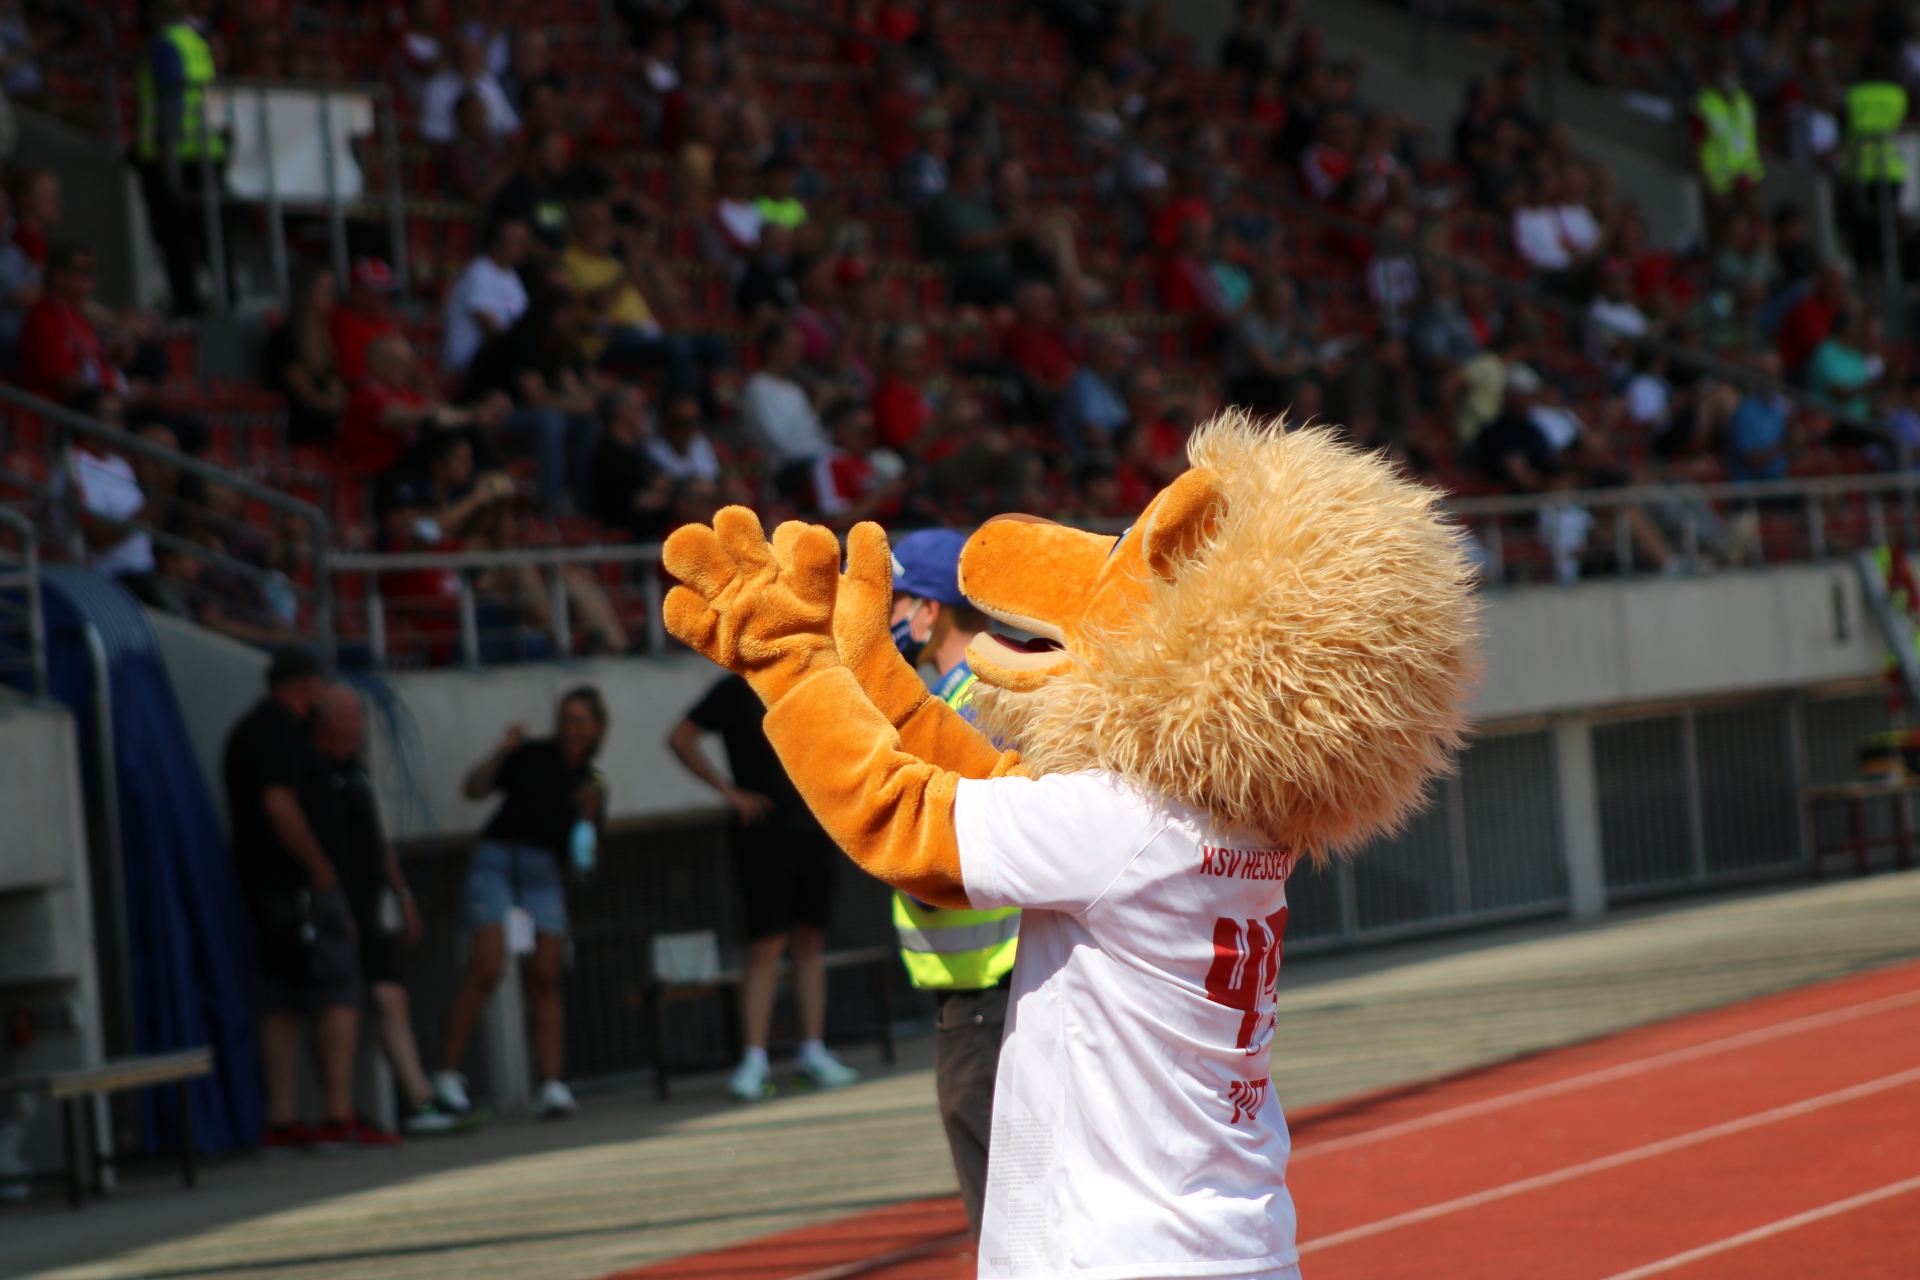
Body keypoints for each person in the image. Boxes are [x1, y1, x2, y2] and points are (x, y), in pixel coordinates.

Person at [887, 529, 1018, 1237]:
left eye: (896, 601)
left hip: (985, 993)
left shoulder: (950, 709)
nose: (887, 618)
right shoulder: (1003, 682)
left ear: (930, 610)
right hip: (1011, 980)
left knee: (1003, 1211)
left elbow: (932, 852)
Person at [225, 650, 398, 1151]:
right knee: (338, 990)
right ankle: (337, 1113)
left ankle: (281, 1118)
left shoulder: (248, 730)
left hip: (264, 888)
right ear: (307, 686)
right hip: (298, 889)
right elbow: (278, 804)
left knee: (281, 997)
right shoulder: (283, 730)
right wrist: (321, 872)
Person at [667, 675, 863, 1101]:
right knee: (766, 944)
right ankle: (754, 1060)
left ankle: (812, 1051)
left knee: (810, 939)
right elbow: (680, 737)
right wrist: (729, 793)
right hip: (763, 832)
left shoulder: (811, 674)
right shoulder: (735, 687)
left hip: (816, 826)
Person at [308, 685, 480, 1135]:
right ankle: (338, 1113)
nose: (361, 725)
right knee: (342, 1003)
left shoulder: (356, 771)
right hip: (333, 908)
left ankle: (421, 1100)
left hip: (367, 906)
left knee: (390, 996)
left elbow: (376, 840)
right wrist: (331, 903)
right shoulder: (312, 772)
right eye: (353, 716)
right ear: (329, 721)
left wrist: (402, 894)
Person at [435, 689, 610, 1120]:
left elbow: (584, 855)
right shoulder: (532, 754)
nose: (569, 729)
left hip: (542, 874)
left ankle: (551, 1085)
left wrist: (588, 814)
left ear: (595, 729)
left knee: (544, 977)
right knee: (488, 967)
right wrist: (502, 753)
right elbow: (473, 789)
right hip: (498, 861)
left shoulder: (592, 782)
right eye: (565, 719)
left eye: (579, 721)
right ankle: (445, 1075)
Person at [461, 286, 603, 514]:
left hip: (520, 409)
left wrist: (594, 406)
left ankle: (583, 502)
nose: (572, 318)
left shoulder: (558, 345)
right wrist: (584, 405)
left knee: (589, 423)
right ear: (548, 313)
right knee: (550, 421)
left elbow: (570, 388)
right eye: (565, 312)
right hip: (484, 410)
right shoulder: (523, 340)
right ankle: (552, 506)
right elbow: (536, 398)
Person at [134, 0, 225, 315]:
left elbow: (170, 98)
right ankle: (227, 298)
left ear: (154, 13)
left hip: (175, 158)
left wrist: (165, 149)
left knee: (175, 238)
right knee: (209, 235)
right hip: (206, 151)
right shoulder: (196, 43)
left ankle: (188, 307)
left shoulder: (165, 44)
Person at [16, 244, 125, 403]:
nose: (93, 276)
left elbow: (96, 367)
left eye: (93, 270)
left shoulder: (79, 316)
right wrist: (122, 395)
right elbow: (67, 383)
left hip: (92, 402)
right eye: (84, 271)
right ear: (59, 276)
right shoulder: (46, 317)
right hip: (56, 409)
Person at [741, 320, 830, 496]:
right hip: (785, 472)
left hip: (814, 461)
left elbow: (816, 437)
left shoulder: (795, 389)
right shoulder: (758, 388)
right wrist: (818, 406)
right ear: (773, 349)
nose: (799, 353)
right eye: (794, 345)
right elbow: (784, 445)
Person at [263, 261, 347, 447]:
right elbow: (310, 399)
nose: (333, 297)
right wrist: (351, 408)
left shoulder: (322, 334)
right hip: (299, 424)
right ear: (308, 293)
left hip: (326, 416)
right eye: (326, 290)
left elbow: (335, 385)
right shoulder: (286, 337)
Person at [442, 218, 531, 376]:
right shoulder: (479, 271)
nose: (524, 248)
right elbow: (490, 330)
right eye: (518, 242)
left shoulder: (511, 275)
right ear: (497, 244)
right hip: (470, 362)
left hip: (498, 358)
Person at [420, 31, 518, 143]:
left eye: (474, 56)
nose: (468, 62)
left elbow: (510, 125)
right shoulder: (436, 87)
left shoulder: (488, 82)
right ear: (453, 59)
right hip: (455, 148)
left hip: (492, 146)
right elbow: (433, 133)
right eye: (463, 57)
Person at [331, 258, 404, 386]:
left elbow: (408, 364)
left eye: (387, 291)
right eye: (378, 290)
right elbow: (356, 379)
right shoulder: (342, 323)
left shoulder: (381, 318)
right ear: (357, 292)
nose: (385, 297)